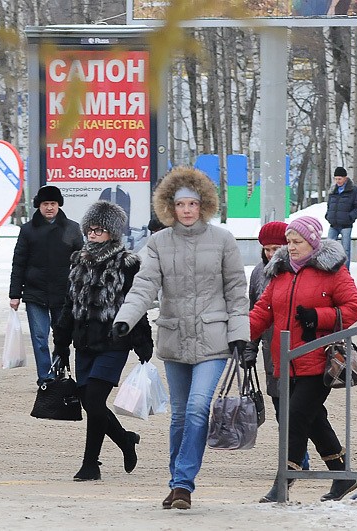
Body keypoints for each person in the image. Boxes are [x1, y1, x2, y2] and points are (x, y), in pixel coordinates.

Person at [112, 166, 249, 511]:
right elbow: (144, 286)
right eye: (180, 204)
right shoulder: (158, 243)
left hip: (213, 339)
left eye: (192, 203)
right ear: (169, 208)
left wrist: (239, 335)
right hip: (174, 338)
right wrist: (125, 320)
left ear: (203, 205)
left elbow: (236, 291)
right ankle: (176, 482)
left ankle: (184, 483)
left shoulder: (223, 240)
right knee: (179, 417)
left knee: (198, 407)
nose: (186, 210)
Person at [249, 215, 357, 503]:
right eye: (289, 242)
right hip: (284, 361)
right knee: (314, 420)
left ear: (312, 242)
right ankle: (343, 477)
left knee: (296, 416)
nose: (291, 247)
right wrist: (239, 334)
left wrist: (319, 317)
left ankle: (283, 481)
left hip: (318, 360)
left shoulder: (333, 272)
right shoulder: (280, 272)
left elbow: (353, 307)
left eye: (297, 242)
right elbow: (263, 311)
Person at [52, 200, 154, 482]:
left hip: (113, 343)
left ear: (112, 232)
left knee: (95, 400)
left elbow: (136, 303)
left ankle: (90, 464)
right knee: (89, 402)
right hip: (83, 343)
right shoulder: (78, 260)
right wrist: (60, 343)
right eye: (90, 229)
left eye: (100, 229)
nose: (94, 234)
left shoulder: (126, 263)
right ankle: (125, 440)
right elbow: (68, 305)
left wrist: (142, 340)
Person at [243, 221, 312, 472]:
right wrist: (248, 348)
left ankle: (301, 457)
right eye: (267, 249)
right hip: (271, 351)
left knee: (305, 409)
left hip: (303, 349)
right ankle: (295, 458)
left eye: (276, 247)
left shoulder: (300, 270)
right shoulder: (258, 274)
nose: (271, 254)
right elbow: (254, 312)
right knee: (280, 406)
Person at [9, 185, 83, 385]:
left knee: (62, 337)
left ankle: (59, 371)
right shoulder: (28, 230)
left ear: (59, 205)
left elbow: (81, 262)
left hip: (64, 293)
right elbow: (19, 262)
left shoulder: (72, 228)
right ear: (38, 206)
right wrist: (15, 293)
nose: (49, 208)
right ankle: (45, 377)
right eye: (45, 204)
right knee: (40, 337)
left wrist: (80, 289)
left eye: (53, 203)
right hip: (35, 292)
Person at [325, 166, 357, 269]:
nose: (337, 181)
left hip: (346, 225)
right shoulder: (333, 190)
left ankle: (345, 271)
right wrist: (328, 215)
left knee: (345, 249)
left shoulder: (353, 190)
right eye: (336, 179)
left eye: (340, 179)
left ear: (345, 178)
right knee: (329, 248)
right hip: (333, 224)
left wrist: (350, 217)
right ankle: (330, 269)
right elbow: (330, 205)